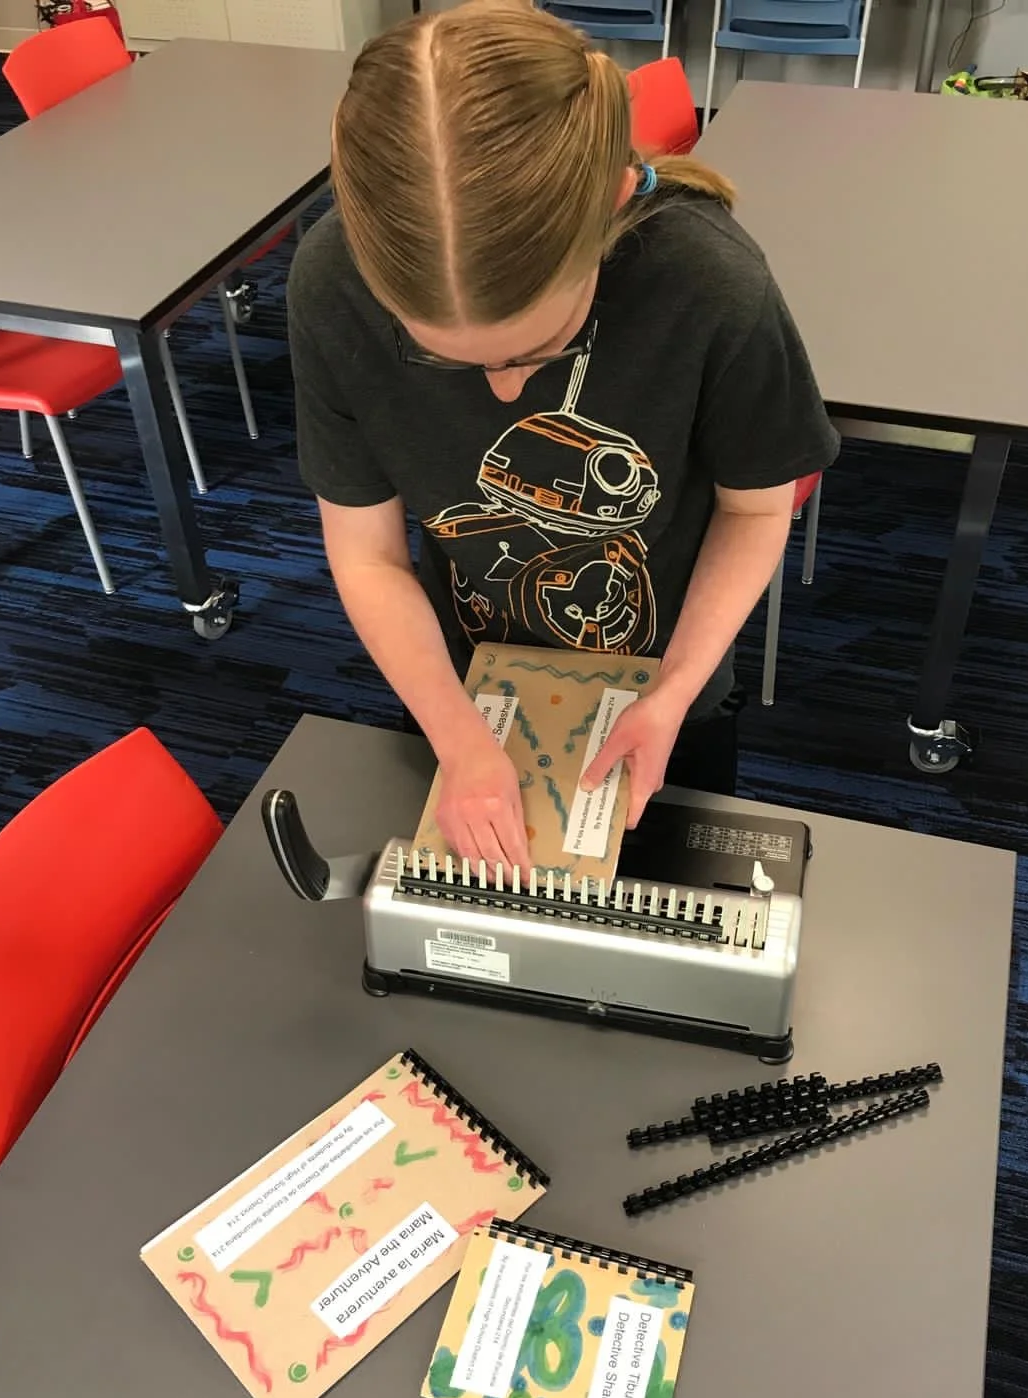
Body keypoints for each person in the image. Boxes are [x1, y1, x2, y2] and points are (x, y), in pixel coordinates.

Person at [288, 0, 838, 874]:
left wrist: (671, 693)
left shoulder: (712, 288)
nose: (503, 392)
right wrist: (460, 737)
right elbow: (367, 555)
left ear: (612, 208)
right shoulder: (332, 283)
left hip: (668, 687)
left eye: (539, 352)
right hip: (459, 684)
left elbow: (756, 509)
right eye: (438, 358)